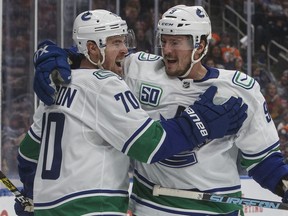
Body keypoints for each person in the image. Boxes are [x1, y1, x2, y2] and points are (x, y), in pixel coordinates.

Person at [32, 5, 288, 216]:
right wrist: (55, 56)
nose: (166, 51)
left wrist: (285, 185)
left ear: (199, 46)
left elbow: (263, 160)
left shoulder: (240, 89)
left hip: (217, 210)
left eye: (175, 43)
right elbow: (93, 56)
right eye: (163, 41)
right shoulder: (137, 69)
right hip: (152, 207)